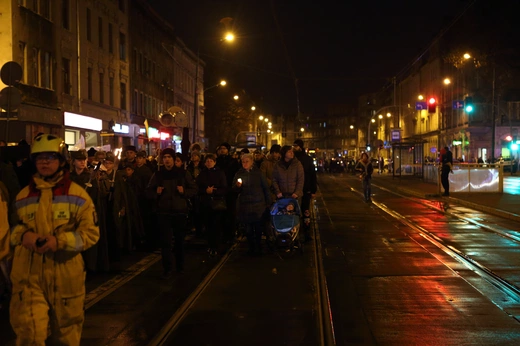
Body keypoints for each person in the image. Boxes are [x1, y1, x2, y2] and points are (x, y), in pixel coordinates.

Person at [9, 134, 99, 345]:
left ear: (61, 161)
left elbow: (91, 234)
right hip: (28, 276)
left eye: (51, 157)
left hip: (65, 276)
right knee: (30, 336)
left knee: (66, 337)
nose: (45, 162)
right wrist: (23, 235)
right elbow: (10, 230)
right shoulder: (22, 196)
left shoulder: (78, 195)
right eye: (40, 158)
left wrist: (59, 242)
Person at [147, 150, 197, 278]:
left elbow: (194, 189)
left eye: (169, 157)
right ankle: (167, 268)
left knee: (179, 241)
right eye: (165, 157)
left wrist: (183, 191)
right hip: (164, 212)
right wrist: (156, 192)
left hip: (179, 211)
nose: (167, 160)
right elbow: (148, 192)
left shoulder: (183, 174)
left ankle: (180, 267)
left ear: (174, 159)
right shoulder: (158, 175)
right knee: (166, 242)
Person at [233, 153, 271, 255]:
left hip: (258, 205)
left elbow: (265, 188)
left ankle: (258, 247)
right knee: (248, 229)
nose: (245, 164)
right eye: (243, 162)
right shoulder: (239, 174)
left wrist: (268, 203)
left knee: (258, 228)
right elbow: (234, 190)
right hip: (245, 205)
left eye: (247, 162)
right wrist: (238, 186)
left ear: (252, 162)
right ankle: (251, 247)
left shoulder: (258, 173)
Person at [196, 153, 228, 256]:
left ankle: (216, 246)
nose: (209, 163)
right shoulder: (202, 174)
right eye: (207, 161)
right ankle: (210, 245)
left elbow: (224, 188)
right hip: (205, 203)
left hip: (217, 203)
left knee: (216, 226)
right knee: (208, 226)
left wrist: (214, 191)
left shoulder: (220, 173)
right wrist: (205, 190)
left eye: (211, 161)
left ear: (214, 162)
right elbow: (197, 187)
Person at [292, 139, 317, 241]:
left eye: (296, 146)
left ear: (300, 147)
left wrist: (313, 190)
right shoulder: (292, 158)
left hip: (305, 189)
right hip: (294, 190)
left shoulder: (307, 159)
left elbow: (312, 175)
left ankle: (306, 232)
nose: (294, 148)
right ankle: (296, 231)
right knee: (295, 211)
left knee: (306, 211)